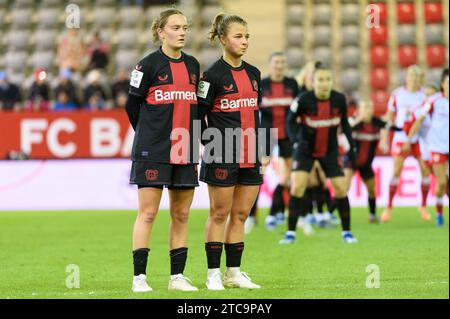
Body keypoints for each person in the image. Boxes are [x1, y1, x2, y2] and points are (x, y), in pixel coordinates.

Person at [125, 8, 200, 292]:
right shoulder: (146, 66)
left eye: (185, 27)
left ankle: (176, 277)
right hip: (153, 150)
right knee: (147, 213)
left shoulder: (193, 65)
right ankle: (139, 278)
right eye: (176, 27)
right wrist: (148, 135)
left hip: (186, 148)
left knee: (181, 215)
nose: (182, 32)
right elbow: (132, 106)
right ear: (161, 31)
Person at [197, 13, 262, 290]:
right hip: (221, 151)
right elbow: (198, 117)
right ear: (223, 39)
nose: (244, 41)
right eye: (238, 36)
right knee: (219, 214)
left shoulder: (255, 73)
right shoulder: (211, 76)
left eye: (246, 36)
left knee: (240, 215)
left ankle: (233, 273)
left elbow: (256, 115)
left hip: (251, 152)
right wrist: (210, 147)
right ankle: (213, 274)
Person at [281, 64, 358, 244]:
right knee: (297, 187)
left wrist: (351, 147)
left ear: (332, 82)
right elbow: (289, 121)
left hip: (329, 151)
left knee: (340, 188)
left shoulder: (339, 99)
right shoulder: (303, 99)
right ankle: (290, 233)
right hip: (305, 149)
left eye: (327, 80)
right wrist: (295, 141)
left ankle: (347, 232)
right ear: (313, 82)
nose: (324, 84)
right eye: (320, 80)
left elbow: (345, 124)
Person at [248, 52, 298, 232]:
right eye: (276, 62)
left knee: (288, 178)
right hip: (266, 135)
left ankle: (275, 214)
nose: (279, 65)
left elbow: (298, 111)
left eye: (282, 62)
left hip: (288, 136)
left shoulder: (292, 85)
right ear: (271, 64)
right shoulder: (262, 85)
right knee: (258, 176)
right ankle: (251, 216)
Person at [380, 65, 430, 222]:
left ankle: (422, 206)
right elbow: (389, 116)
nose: (414, 79)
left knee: (425, 172)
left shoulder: (424, 96)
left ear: (420, 79)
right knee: (396, 171)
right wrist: (384, 137)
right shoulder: (397, 94)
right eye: (411, 76)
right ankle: (388, 208)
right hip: (401, 138)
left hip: (419, 138)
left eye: (417, 77)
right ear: (407, 77)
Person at [344, 99, 401, 223]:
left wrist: (407, 127)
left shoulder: (377, 123)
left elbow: (393, 127)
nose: (368, 110)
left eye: (370, 107)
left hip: (366, 164)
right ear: (359, 110)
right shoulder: (353, 122)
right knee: (344, 188)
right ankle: (331, 214)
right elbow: (343, 129)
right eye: (365, 108)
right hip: (351, 161)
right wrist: (358, 119)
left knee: (371, 189)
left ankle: (372, 215)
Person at [405, 68, 449, 227]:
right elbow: (419, 120)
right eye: (448, 83)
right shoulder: (434, 101)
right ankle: (439, 213)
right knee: (442, 182)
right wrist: (408, 140)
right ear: (443, 85)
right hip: (437, 148)